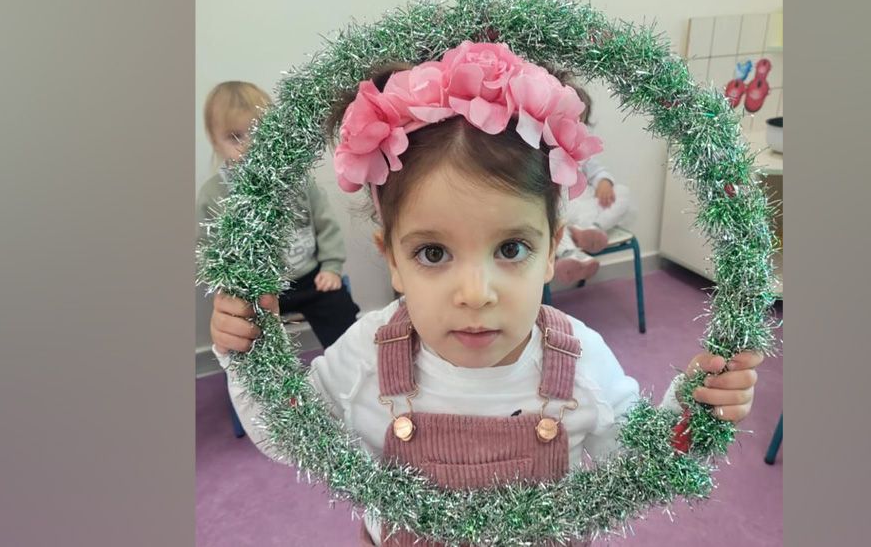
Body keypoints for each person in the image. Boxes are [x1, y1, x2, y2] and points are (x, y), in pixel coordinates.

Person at [208, 43, 762, 546]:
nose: (476, 294)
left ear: (552, 250)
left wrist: (695, 409)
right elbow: (287, 433)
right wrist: (246, 358)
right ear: (391, 258)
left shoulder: (582, 359)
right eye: (432, 254)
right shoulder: (367, 352)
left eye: (511, 249)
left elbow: (637, 454)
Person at [197, 81, 359, 350]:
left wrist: (331, 266)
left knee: (342, 316)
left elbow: (325, 223)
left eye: (258, 133)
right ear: (215, 142)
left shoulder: (297, 180)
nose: (249, 146)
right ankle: (258, 384)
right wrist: (229, 286)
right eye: (235, 137)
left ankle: (353, 364)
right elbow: (207, 247)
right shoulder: (213, 195)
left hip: (311, 278)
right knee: (244, 337)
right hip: (258, 290)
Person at [552, 83, 633, 284]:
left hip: (586, 208)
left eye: (580, 124)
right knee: (548, 220)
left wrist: (603, 182)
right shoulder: (543, 149)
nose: (575, 130)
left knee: (622, 193)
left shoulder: (583, 151)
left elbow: (597, 170)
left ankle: (592, 230)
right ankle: (571, 254)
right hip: (559, 209)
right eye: (569, 122)